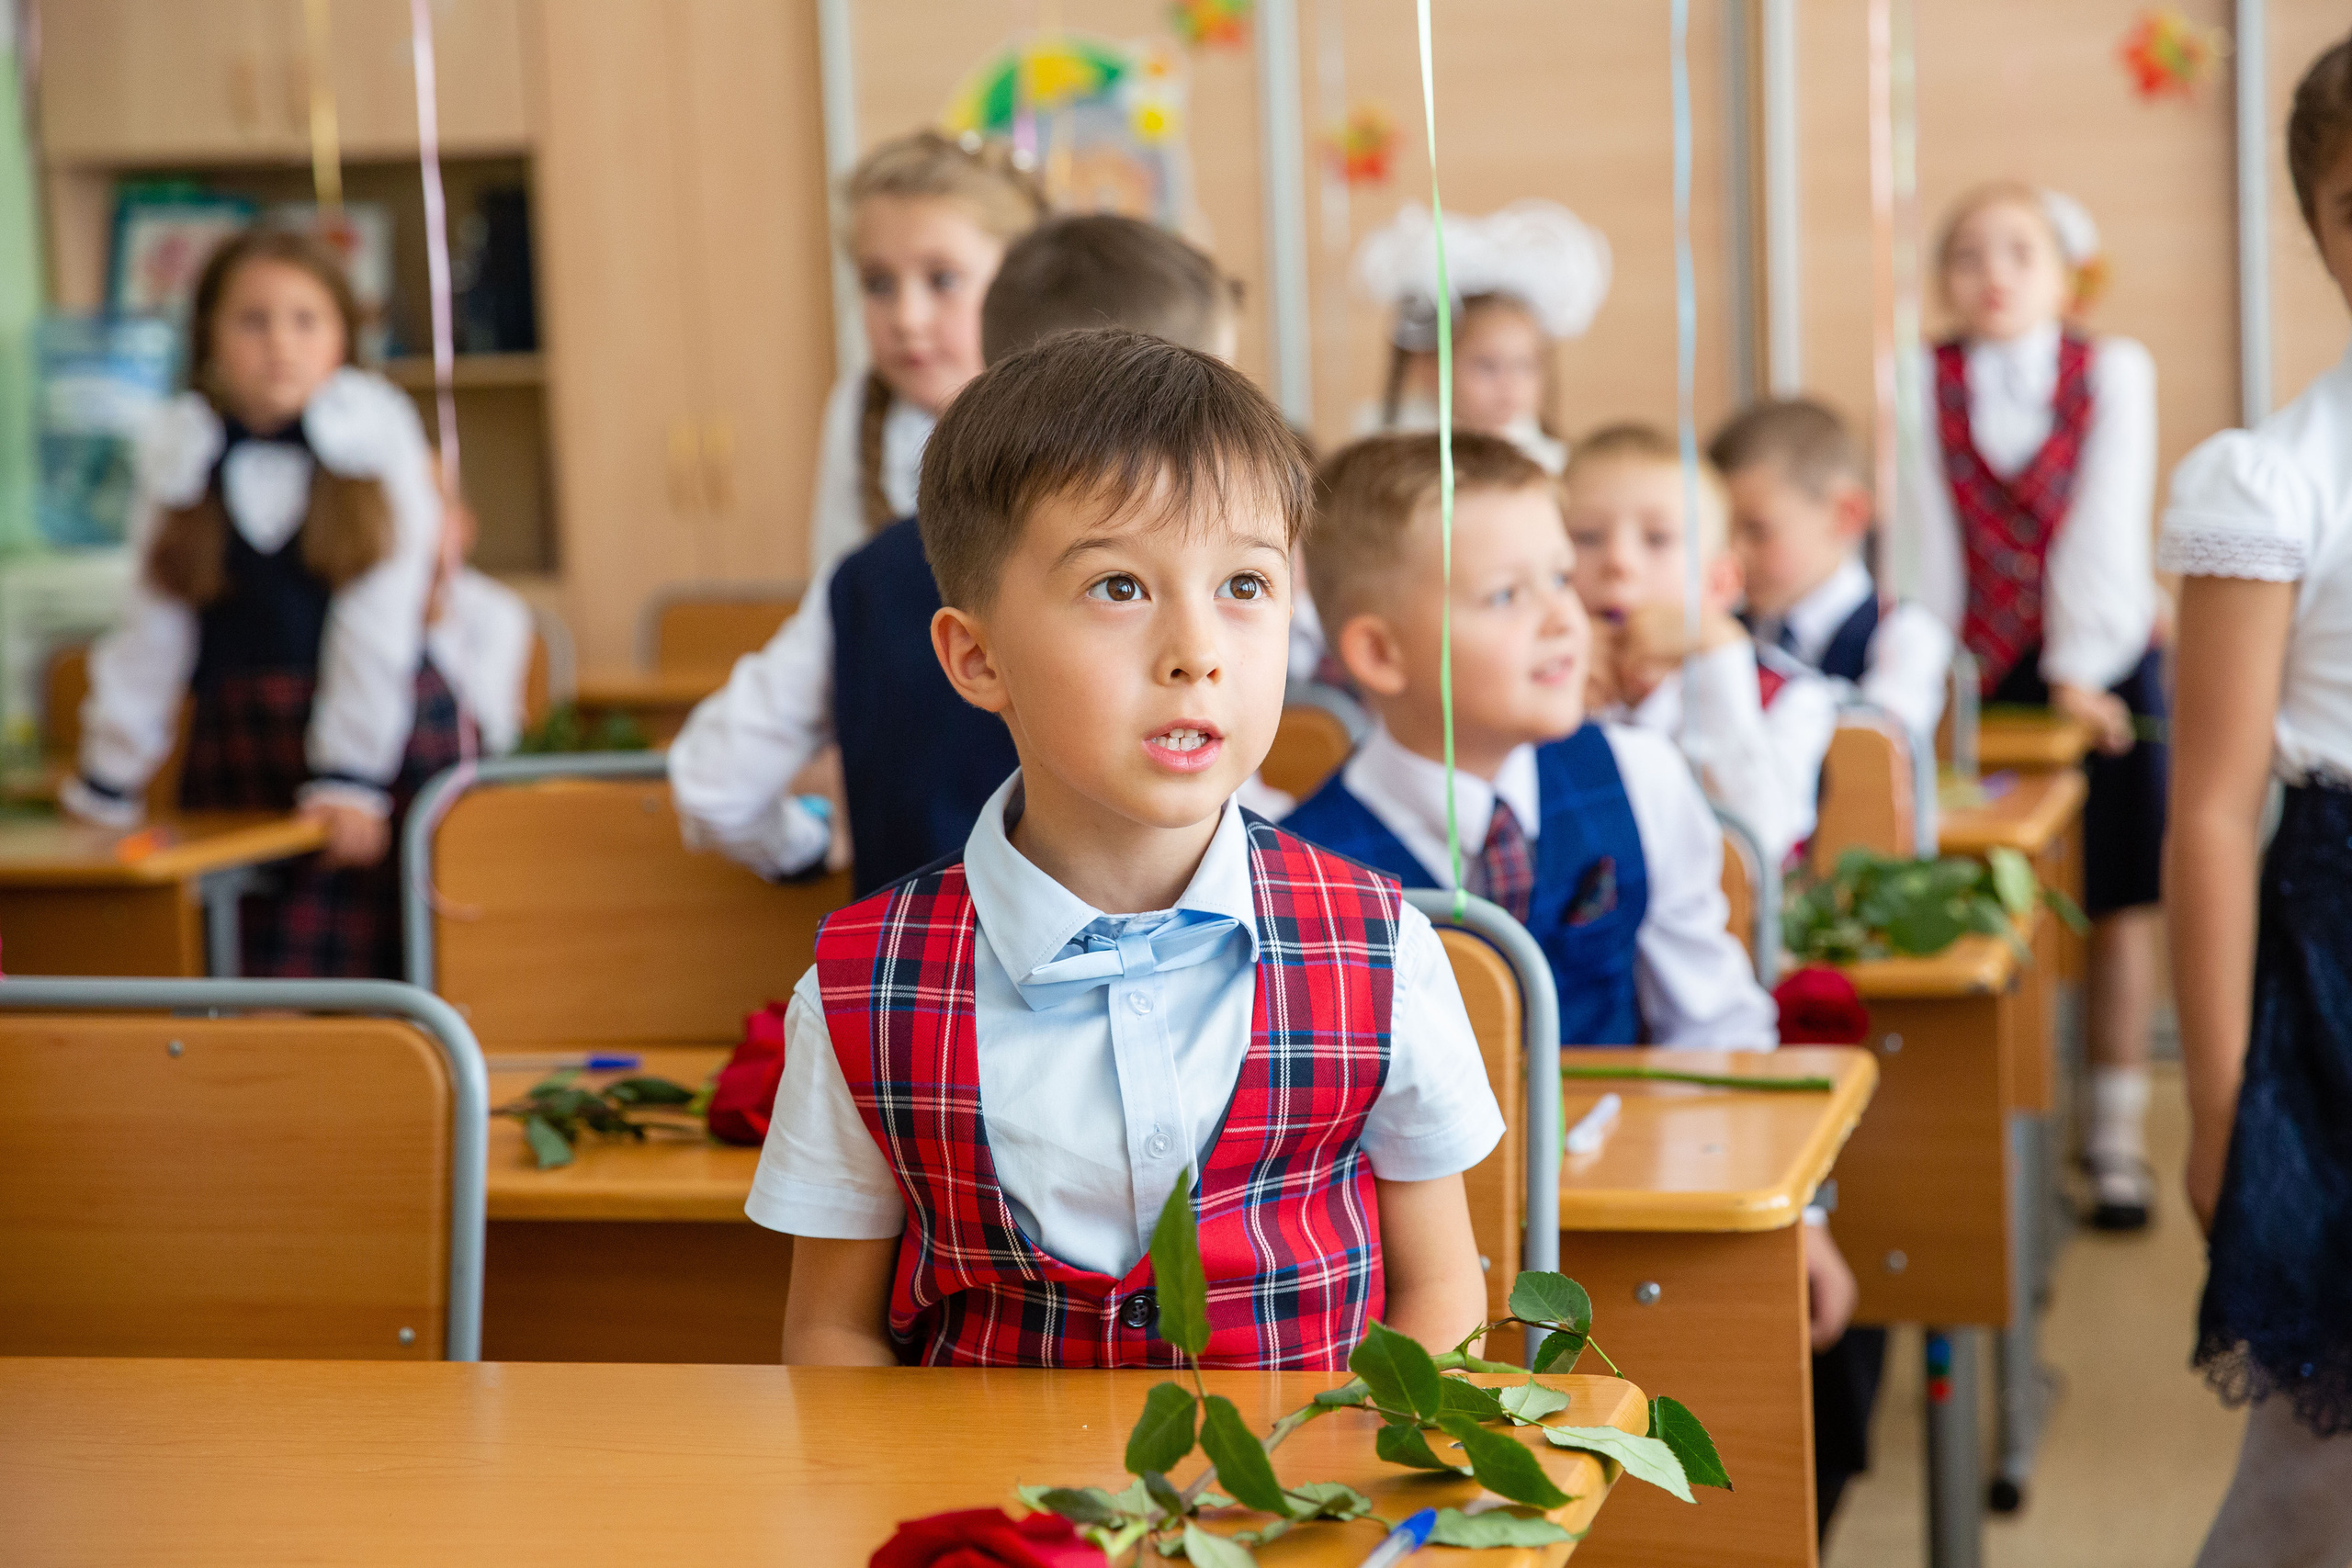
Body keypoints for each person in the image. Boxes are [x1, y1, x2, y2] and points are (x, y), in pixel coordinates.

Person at [758, 329, 1504, 1368]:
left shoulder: (1382, 948)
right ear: (976, 657)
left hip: (1307, 1476)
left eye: (1244, 585)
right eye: (1119, 587)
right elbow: (833, 1331)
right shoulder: (861, 987)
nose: (1196, 653)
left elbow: (1442, 1291)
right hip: (988, 1476)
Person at [672, 214, 1249, 895]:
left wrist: (806, 844)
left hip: (909, 942)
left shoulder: (866, 576)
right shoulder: (1202, 643)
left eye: (1244, 586)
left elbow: (713, 784)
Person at [1283, 431, 1773, 1047]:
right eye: (1506, 595)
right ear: (1381, 653)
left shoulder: (1639, 774)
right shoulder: (1296, 875)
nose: (1565, 618)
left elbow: (1718, 1030)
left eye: (1562, 577)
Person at [61, 228, 452, 977]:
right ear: (208, 335)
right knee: (236, 972)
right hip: (239, 745)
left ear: (344, 336)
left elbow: (376, 627)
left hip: (372, 739)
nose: (280, 344)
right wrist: (110, 778)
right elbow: (151, 631)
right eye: (252, 320)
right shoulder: (181, 449)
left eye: (306, 320)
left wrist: (352, 776)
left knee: (363, 981)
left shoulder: (376, 442)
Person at [2166, 28, 2352, 1561]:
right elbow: (2215, 809)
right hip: (2340, 964)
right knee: (2321, 1443)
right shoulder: (2278, 476)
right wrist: (2223, 1098)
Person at [1901, 183, 2165, 1229]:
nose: (1993, 274)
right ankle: (2010, 1135)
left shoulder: (2113, 370)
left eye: (2019, 252)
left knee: (2118, 895)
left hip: (2098, 662)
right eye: (1967, 255)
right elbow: (1922, 538)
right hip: (1975, 667)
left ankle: (2115, 1133)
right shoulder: (1917, 378)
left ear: (2067, 276)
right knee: (1998, 894)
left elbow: (2107, 519)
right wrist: (1922, 677)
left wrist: (2083, 664)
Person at [1565, 423, 1840, 873]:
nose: (1618, 562)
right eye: (1587, 537)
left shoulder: (1791, 698)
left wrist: (1718, 653)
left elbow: (1756, 841)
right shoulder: (1536, 692)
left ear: (1719, 582)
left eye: (1657, 539)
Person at [805, 130, 1046, 580]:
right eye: (878, 284)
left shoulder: (1065, 420)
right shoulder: (856, 409)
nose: (907, 319)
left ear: (1019, 285)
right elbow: (831, 595)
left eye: (943, 280)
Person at [1711, 396, 1951, 744]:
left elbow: (1874, 745)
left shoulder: (1903, 634)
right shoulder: (1723, 630)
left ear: (1846, 515)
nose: (1730, 554)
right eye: (1719, 533)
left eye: (1756, 530)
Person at [1350, 201, 1611, 472]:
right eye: (1486, 366)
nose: (1508, 384)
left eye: (1525, 365)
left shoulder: (1551, 462)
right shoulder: (1391, 457)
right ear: (1428, 364)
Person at [424, 472, 534, 755]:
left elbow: (486, 722)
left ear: (465, 525)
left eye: (433, 508)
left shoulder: (498, 610)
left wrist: (433, 622)